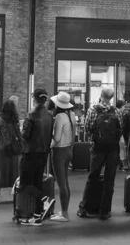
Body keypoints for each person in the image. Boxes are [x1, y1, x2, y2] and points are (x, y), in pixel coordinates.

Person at [77, 87, 123, 220]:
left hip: (97, 148)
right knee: (110, 180)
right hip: (113, 149)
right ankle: (104, 210)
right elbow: (120, 129)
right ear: (112, 97)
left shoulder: (93, 110)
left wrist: (95, 139)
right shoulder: (116, 111)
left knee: (92, 177)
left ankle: (84, 208)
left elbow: (88, 129)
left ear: (101, 95)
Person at [19, 88, 55, 226]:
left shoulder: (31, 114)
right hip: (43, 153)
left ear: (34, 98)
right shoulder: (49, 115)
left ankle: (44, 199)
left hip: (30, 152)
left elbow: (26, 135)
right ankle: (37, 215)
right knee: (37, 182)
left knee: (25, 183)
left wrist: (21, 132)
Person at [50, 91, 77, 222]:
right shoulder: (71, 115)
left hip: (59, 151)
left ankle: (64, 214)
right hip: (69, 150)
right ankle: (65, 211)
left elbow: (57, 137)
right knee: (65, 181)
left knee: (61, 183)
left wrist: (49, 134)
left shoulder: (60, 117)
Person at [0, 99, 21, 204]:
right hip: (13, 149)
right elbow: (19, 134)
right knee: (14, 171)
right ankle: (15, 196)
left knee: (0, 171)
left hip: (2, 149)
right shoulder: (15, 120)